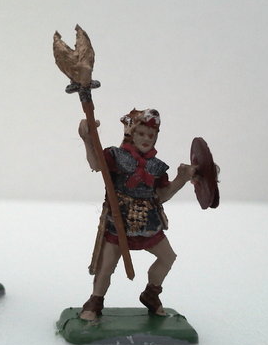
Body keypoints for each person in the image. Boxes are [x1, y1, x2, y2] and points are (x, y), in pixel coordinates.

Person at [78, 108, 195, 320]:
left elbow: (161, 195)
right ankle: (95, 302)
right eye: (141, 133)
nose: (146, 139)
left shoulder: (156, 166)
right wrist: (87, 139)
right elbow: (96, 164)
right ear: (132, 133)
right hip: (118, 224)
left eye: (151, 135)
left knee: (168, 257)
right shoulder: (116, 156)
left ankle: (151, 294)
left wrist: (181, 179)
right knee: (106, 267)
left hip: (148, 224)